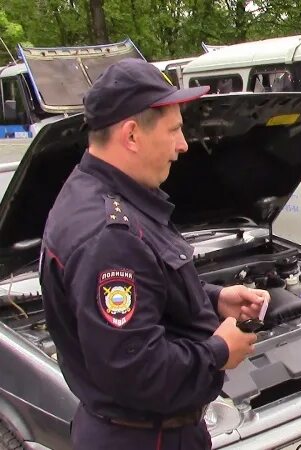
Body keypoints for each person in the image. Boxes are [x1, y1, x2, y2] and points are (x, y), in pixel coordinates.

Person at [39, 58, 265, 450]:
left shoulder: (105, 193)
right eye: (175, 130)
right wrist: (219, 352)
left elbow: (152, 284)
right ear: (131, 135)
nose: (183, 145)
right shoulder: (109, 236)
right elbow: (134, 370)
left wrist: (214, 299)